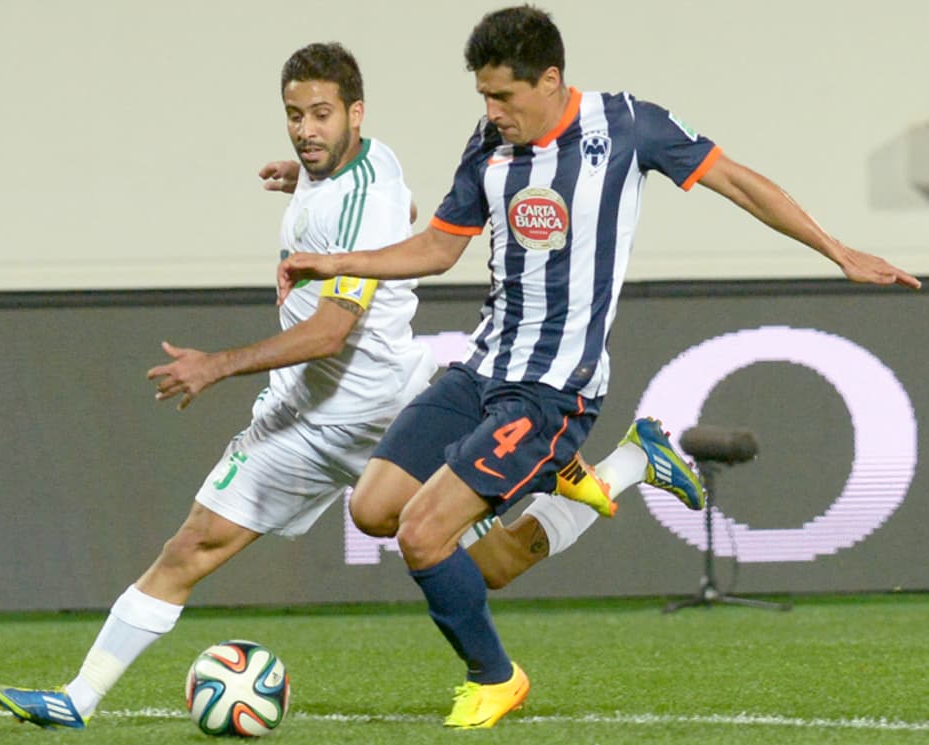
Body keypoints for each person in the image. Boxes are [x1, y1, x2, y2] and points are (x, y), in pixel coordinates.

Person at [0, 40, 699, 732]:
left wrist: (216, 364)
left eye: (321, 113)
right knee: (193, 546)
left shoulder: (368, 187)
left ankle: (608, 468)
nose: (305, 129)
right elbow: (411, 205)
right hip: (305, 417)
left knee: (480, 569)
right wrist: (309, 185)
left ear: (356, 112)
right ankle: (77, 698)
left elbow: (331, 331)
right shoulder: (367, 168)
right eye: (295, 114)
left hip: (382, 406)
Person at [276, 6, 921, 731]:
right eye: (483, 96)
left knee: (426, 537)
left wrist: (837, 251)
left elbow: (738, 182)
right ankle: (623, 465)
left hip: (556, 387)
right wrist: (340, 262)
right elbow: (437, 246)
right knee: (383, 515)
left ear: (550, 79)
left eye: (504, 97)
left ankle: (496, 676)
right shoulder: (489, 142)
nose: (492, 111)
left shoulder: (626, 126)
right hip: (484, 367)